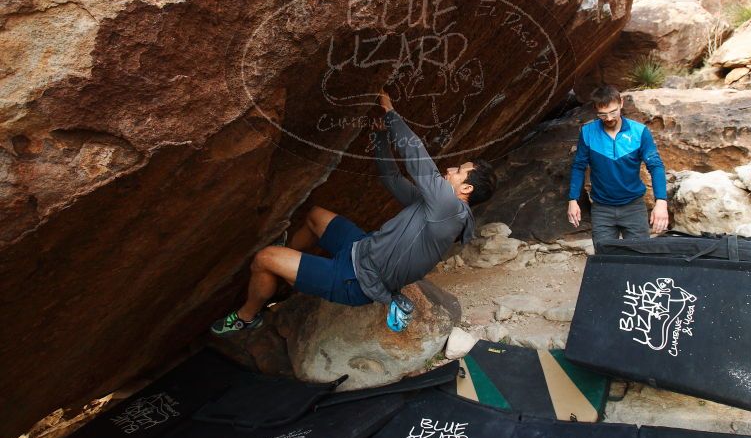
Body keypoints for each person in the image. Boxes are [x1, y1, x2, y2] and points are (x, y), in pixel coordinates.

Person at [212, 91, 497, 335]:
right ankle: (286, 276)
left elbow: (418, 160)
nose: (449, 170)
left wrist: (390, 113)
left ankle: (247, 317)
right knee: (315, 216)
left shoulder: (451, 209)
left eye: (458, 171)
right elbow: (392, 179)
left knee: (263, 259)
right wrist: (381, 137)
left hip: (357, 280)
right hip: (361, 248)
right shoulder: (437, 207)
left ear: (467, 189)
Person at [567, 85, 669, 249]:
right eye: (602, 114)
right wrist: (573, 199)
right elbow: (579, 166)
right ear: (595, 109)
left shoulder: (640, 132)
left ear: (621, 103)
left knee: (641, 258)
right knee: (605, 260)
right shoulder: (587, 132)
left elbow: (656, 166)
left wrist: (661, 202)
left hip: (634, 207)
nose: (608, 118)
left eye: (613, 112)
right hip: (602, 209)